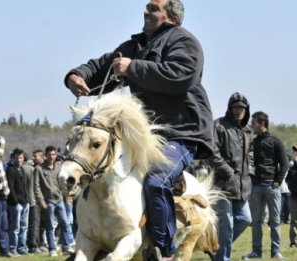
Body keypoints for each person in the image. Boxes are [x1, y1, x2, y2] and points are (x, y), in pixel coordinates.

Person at [64, 0, 214, 258]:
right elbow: (103, 66)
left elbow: (181, 75)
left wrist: (133, 68)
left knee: (157, 182)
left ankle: (163, 250)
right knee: (94, 174)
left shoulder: (185, 42)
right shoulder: (133, 46)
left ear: (171, 17)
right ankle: (88, 240)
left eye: (153, 8)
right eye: (147, 7)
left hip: (180, 133)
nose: (146, 12)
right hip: (142, 135)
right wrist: (76, 76)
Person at [207, 92, 253, 261]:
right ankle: (222, 258)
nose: (239, 110)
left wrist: (251, 171)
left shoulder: (247, 130)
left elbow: (250, 154)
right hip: (222, 184)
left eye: (241, 107)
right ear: (230, 108)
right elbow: (212, 152)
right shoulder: (218, 125)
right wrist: (228, 172)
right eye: (235, 107)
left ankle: (215, 249)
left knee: (245, 219)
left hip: (242, 185)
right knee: (227, 225)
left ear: (246, 109)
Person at [243, 111, 288, 260]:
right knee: (256, 222)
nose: (252, 124)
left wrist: (278, 182)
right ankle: (257, 252)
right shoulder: (253, 142)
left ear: (262, 123)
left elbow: (285, 164)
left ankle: (275, 252)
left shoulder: (276, 141)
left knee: (275, 221)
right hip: (255, 187)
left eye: (254, 122)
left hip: (272, 187)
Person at [35, 146, 74, 257]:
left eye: (53, 154)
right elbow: (36, 187)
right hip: (48, 201)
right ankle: (52, 249)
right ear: (45, 155)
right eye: (49, 154)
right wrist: (41, 202)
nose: (51, 157)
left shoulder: (59, 167)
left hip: (60, 199)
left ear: (55, 155)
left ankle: (66, 247)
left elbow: (64, 183)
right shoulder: (39, 169)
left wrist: (68, 197)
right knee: (50, 227)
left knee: (65, 224)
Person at [6, 148, 32, 256]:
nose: (19, 160)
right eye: (17, 158)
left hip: (25, 202)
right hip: (16, 204)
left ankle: (22, 247)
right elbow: (10, 188)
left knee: (24, 227)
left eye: (20, 158)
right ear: (13, 158)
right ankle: (13, 248)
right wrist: (16, 202)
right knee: (15, 228)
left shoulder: (22, 169)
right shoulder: (10, 170)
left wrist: (27, 200)